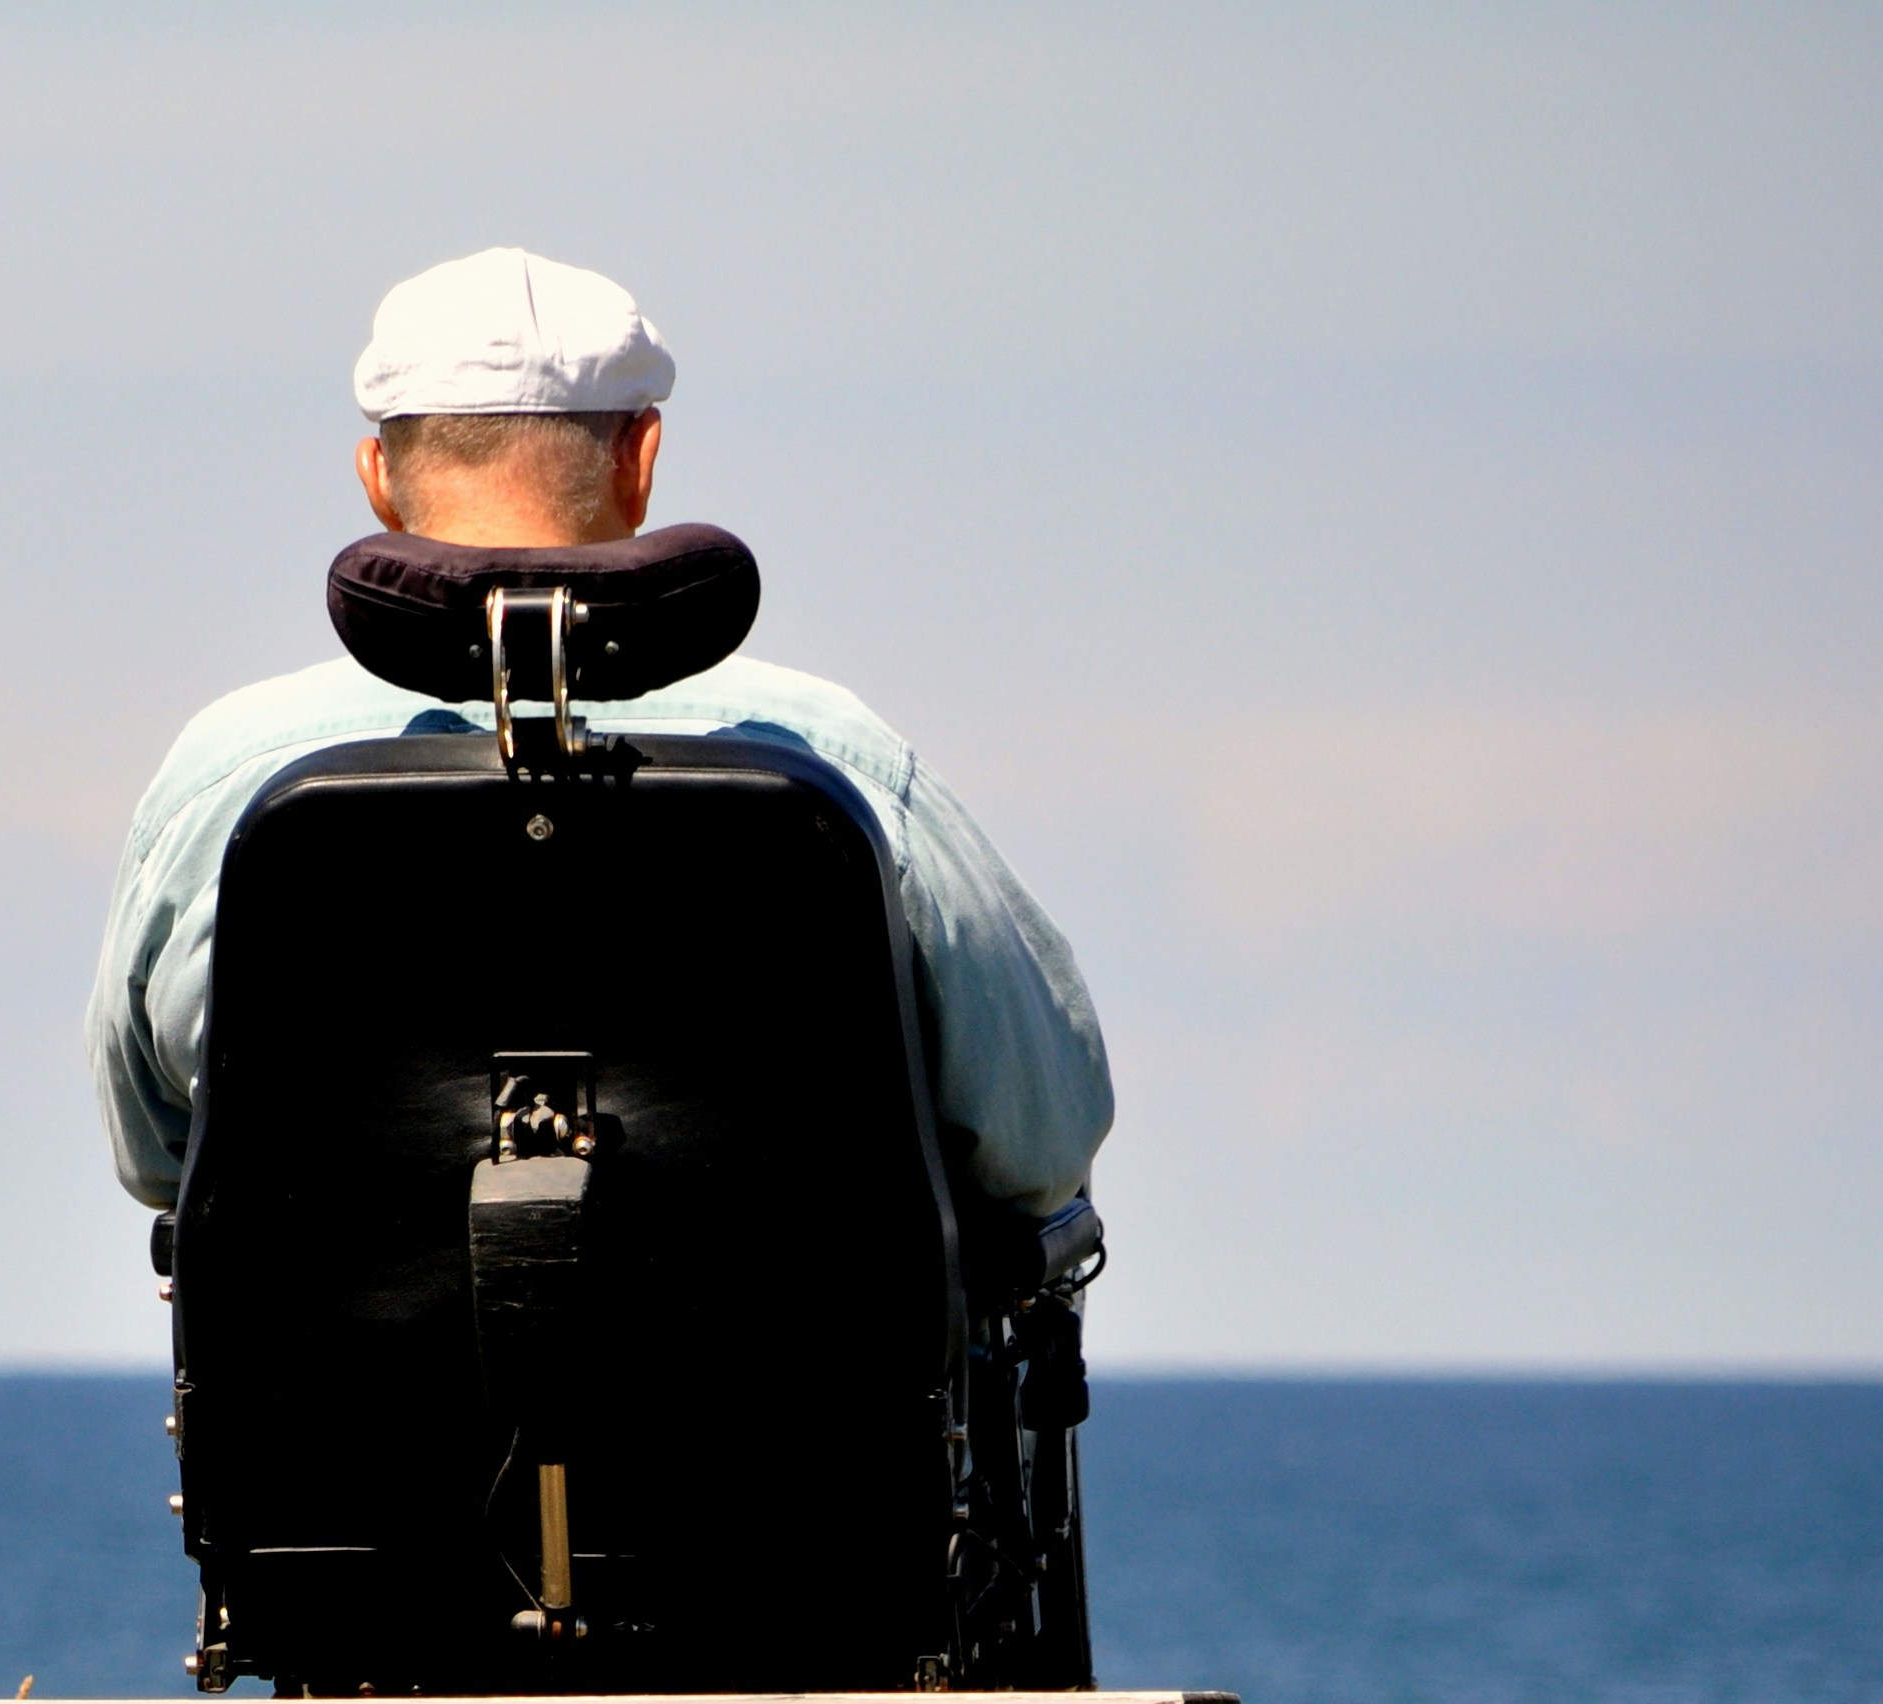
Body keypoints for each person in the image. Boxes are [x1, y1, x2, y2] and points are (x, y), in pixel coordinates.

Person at [85, 246, 1113, 1223]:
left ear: (376, 476)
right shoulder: (832, 761)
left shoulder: (224, 776)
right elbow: (1040, 1137)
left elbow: (157, 1155)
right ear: (643, 455)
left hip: (340, 1406)